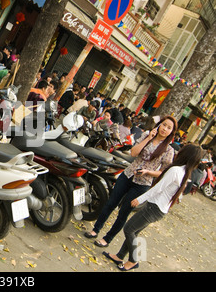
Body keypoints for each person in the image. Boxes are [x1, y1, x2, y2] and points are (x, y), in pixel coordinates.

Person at [103, 143, 204, 271]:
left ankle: (134, 260)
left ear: (184, 154)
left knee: (129, 229)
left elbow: (158, 188)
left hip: (154, 208)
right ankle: (120, 256)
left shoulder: (176, 170)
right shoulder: (184, 172)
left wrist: (139, 199)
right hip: (160, 209)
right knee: (135, 231)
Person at [84, 115, 177, 248]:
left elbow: (163, 172)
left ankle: (107, 239)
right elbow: (133, 153)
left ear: (171, 133)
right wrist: (149, 138)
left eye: (169, 128)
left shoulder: (169, 150)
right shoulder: (146, 137)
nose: (165, 129)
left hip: (142, 183)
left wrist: (148, 172)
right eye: (164, 125)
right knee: (110, 203)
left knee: (123, 212)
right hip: (127, 175)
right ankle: (95, 230)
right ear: (158, 125)